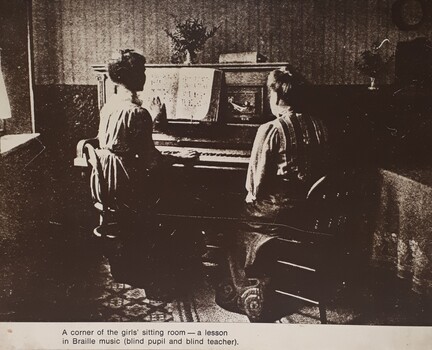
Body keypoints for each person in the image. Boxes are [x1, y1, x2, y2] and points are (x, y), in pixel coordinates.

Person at [216, 66, 330, 321]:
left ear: (277, 98)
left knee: (235, 218)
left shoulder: (271, 129)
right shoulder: (319, 125)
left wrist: (253, 196)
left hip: (279, 213)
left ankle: (250, 293)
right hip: (309, 211)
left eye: (269, 95)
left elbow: (256, 184)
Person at [92, 49, 198, 220]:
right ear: (133, 76)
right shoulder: (138, 112)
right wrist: (177, 157)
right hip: (127, 188)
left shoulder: (110, 105)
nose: (144, 77)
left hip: (106, 185)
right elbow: (151, 161)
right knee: (178, 197)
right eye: (142, 72)